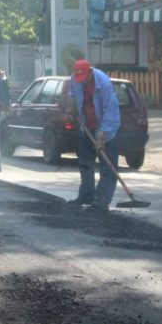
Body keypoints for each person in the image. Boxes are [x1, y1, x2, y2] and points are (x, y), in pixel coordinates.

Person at [65, 59, 121, 212]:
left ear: (90, 72)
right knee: (85, 163)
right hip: (86, 127)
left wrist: (102, 135)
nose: (82, 81)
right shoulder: (75, 79)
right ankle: (86, 196)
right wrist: (71, 107)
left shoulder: (104, 83)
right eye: (79, 79)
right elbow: (72, 93)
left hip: (106, 127)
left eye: (84, 78)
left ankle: (102, 202)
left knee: (107, 168)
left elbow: (110, 110)